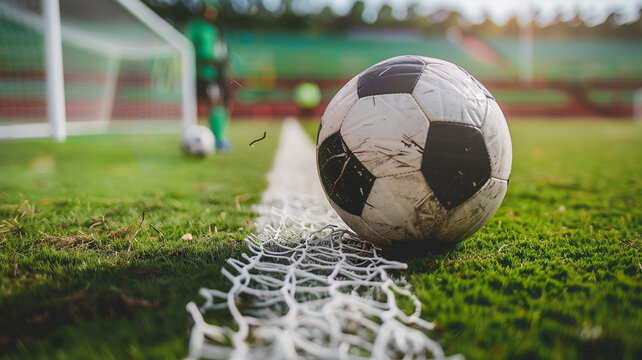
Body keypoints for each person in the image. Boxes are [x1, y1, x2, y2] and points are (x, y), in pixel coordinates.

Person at [186, 0, 231, 151]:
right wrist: (212, 59)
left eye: (213, 9)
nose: (210, 12)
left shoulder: (215, 30)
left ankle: (218, 139)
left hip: (214, 74)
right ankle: (201, 137)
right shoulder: (196, 27)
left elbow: (219, 51)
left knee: (217, 102)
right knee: (204, 102)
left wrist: (224, 61)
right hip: (200, 73)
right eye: (208, 9)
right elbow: (189, 48)